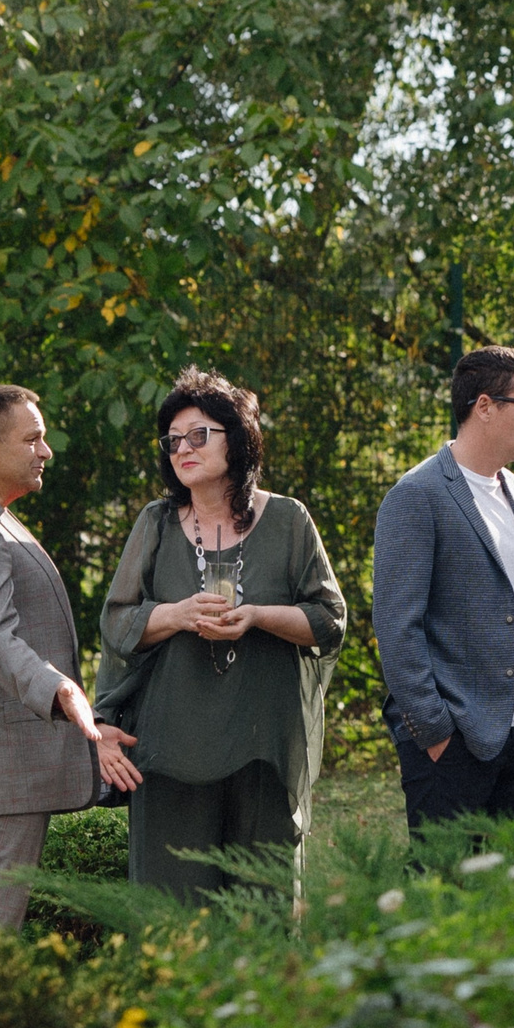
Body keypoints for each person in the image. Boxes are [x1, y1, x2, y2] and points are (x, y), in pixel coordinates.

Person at [95, 368, 347, 900]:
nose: (182, 449)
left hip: (264, 744)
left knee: (264, 909)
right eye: (172, 441)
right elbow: (118, 621)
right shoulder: (156, 524)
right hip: (168, 748)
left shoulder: (289, 520)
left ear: (240, 438)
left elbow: (329, 619)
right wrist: (178, 615)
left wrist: (256, 616)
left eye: (199, 435)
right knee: (172, 912)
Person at [0, 384, 141, 958]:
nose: (47, 451)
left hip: (9, 764)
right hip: (1, 768)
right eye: (33, 438)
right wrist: (64, 691)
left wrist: (79, 725)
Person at [372, 346, 514, 833]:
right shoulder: (416, 495)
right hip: (451, 742)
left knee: (506, 892)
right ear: (485, 406)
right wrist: (435, 733)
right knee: (443, 893)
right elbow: (397, 630)